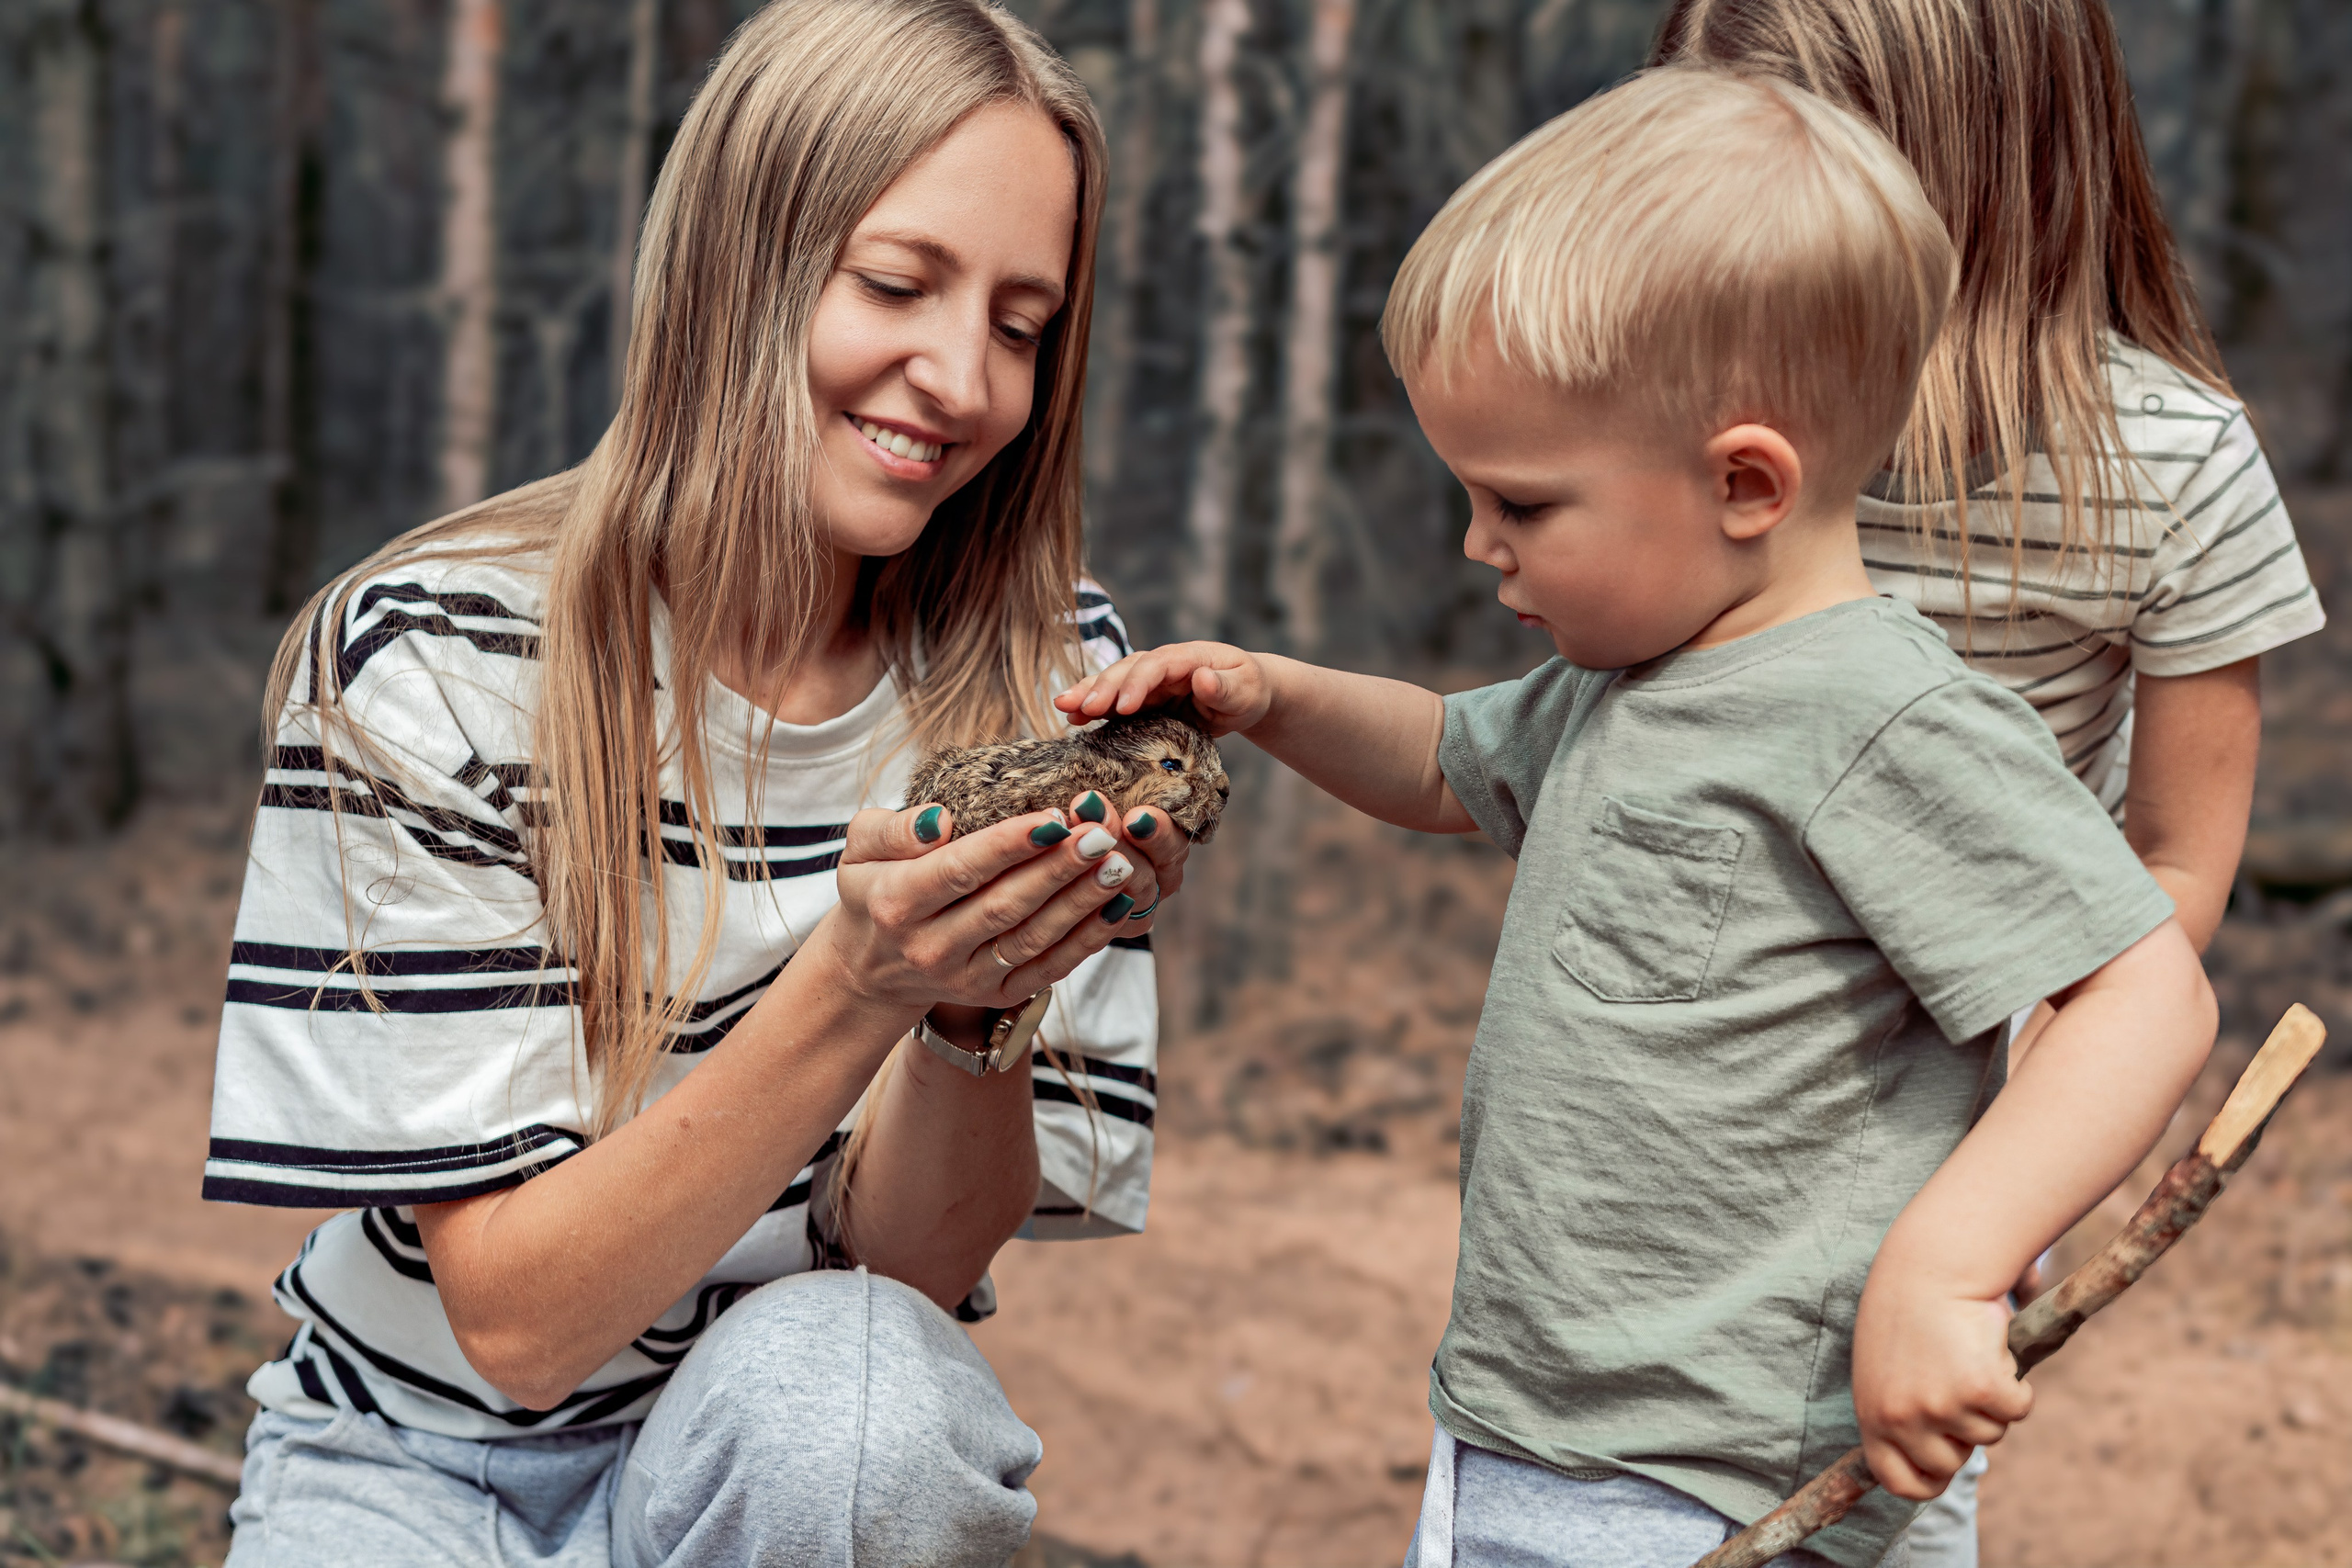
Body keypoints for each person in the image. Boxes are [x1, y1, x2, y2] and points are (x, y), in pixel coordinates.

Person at [1059, 68, 2217, 1568]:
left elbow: (2143, 988)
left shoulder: (1880, 714)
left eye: (1522, 505)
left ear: (1745, 482)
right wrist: (1272, 695)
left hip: (1738, 1473)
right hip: (1525, 1429)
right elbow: (1436, 761)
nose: (1479, 544)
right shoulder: (1627, 682)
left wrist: (1948, 1269)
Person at [202, 5, 1183, 1564]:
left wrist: (976, 1003)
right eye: (896, 282)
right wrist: (862, 977)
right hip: (409, 1459)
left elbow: (905, 1279)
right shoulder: (436, 657)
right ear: (743, 257)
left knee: (867, 1403)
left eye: (1020, 321)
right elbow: (520, 1331)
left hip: (754, 1440)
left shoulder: (1047, 683)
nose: (959, 380)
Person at [1649, 2, 2327, 1557]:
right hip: (1672, 1110)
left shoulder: (2171, 463)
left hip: (1935, 1132)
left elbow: (2170, 866)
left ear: (1974, 162)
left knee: (1875, 1506)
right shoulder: (1693, 408)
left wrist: (2014, 1170)